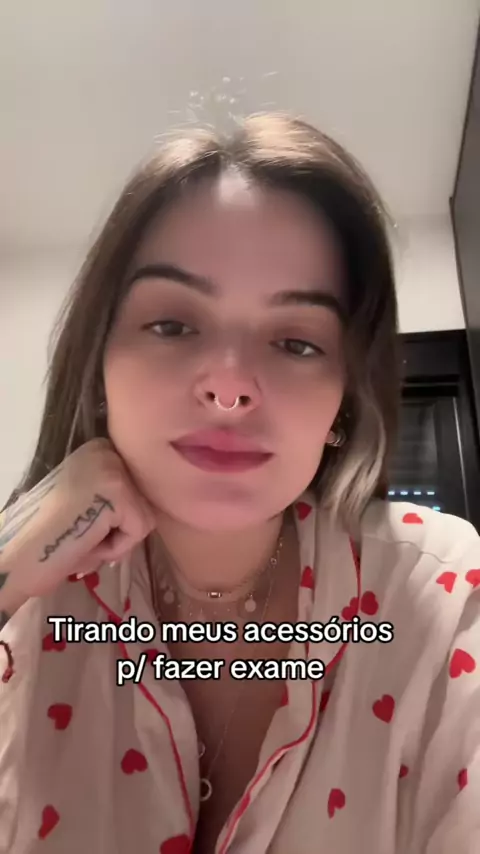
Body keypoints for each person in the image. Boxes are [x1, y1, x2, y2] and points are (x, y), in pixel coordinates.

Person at [0, 112, 478, 854]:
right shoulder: (33, 606)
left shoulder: (441, 594)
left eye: (296, 342)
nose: (229, 387)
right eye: (172, 325)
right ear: (98, 373)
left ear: (342, 404)